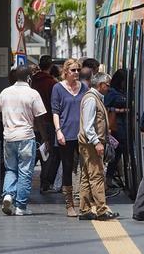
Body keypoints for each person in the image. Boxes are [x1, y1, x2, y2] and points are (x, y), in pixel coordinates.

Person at [0, 64, 46, 216]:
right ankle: (21, 207)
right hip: (26, 137)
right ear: (29, 78)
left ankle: (8, 195)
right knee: (24, 172)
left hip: (9, 137)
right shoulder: (33, 93)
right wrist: (46, 138)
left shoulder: (5, 92)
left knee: (11, 169)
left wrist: (6, 119)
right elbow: (40, 118)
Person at [78, 73, 119, 221]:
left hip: (88, 144)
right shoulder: (91, 99)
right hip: (90, 144)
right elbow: (88, 126)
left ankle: (85, 209)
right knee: (97, 176)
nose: (108, 88)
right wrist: (97, 142)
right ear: (100, 85)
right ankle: (101, 210)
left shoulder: (93, 98)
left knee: (86, 176)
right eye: (107, 85)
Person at [51, 59, 86, 217]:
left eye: (78, 70)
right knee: (67, 167)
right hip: (66, 132)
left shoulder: (84, 87)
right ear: (66, 72)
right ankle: (69, 204)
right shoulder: (58, 88)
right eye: (73, 70)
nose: (76, 73)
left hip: (82, 133)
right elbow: (55, 111)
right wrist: (58, 131)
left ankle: (84, 201)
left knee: (84, 167)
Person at [30, 55, 59, 194]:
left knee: (36, 150)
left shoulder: (33, 81)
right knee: (48, 152)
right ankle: (45, 182)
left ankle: (26, 178)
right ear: (51, 66)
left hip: (34, 121)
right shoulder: (51, 83)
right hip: (48, 120)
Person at [104, 69, 129, 188]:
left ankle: (113, 176)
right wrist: (118, 110)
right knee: (115, 152)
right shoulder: (112, 93)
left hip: (124, 126)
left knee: (118, 152)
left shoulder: (124, 91)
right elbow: (105, 108)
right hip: (116, 128)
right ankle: (109, 178)